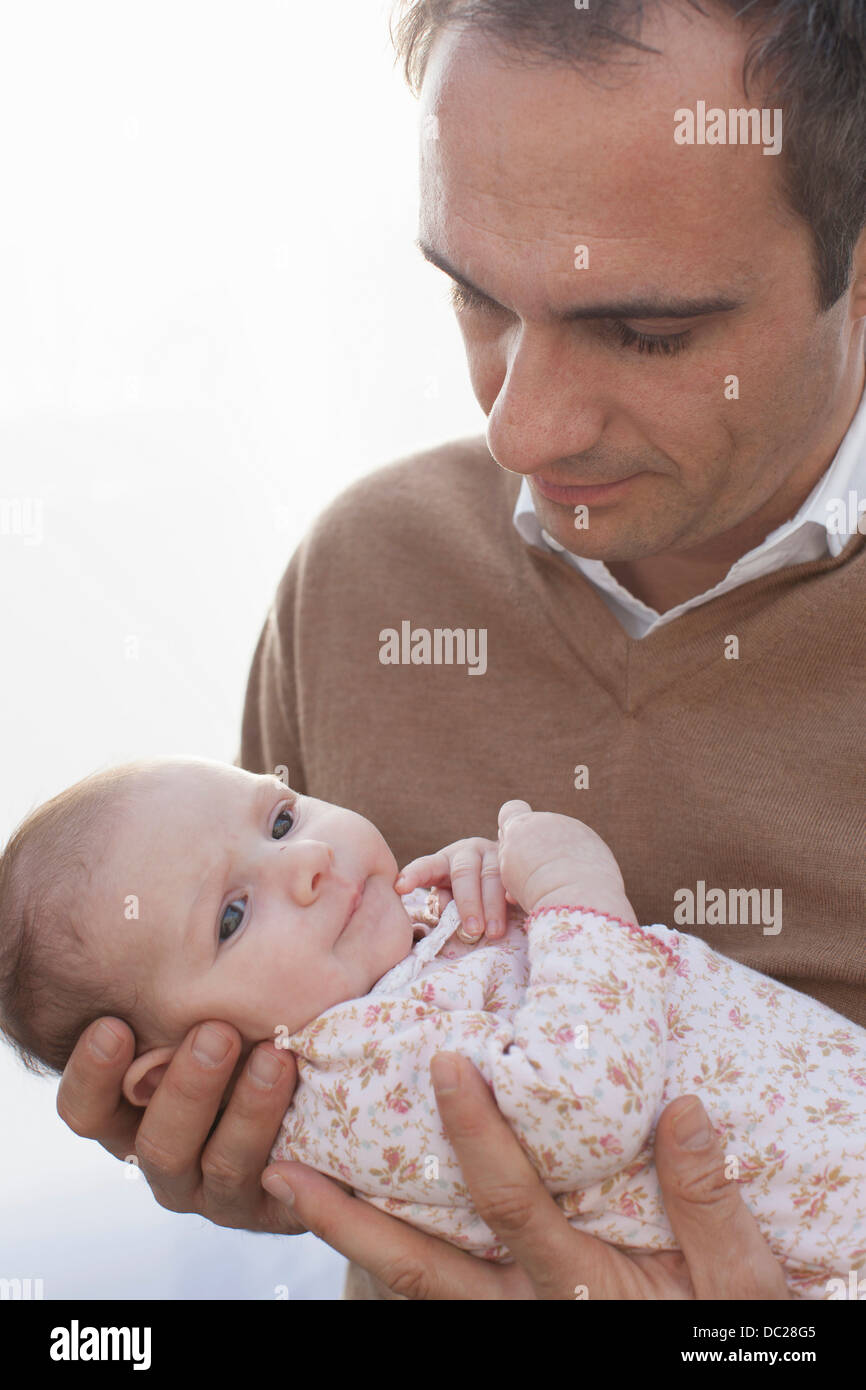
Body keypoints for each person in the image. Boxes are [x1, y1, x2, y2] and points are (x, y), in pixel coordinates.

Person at [56, 0, 866, 1300]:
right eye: (473, 295)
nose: (518, 430)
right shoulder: (362, 572)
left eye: (642, 332)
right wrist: (256, 1155)